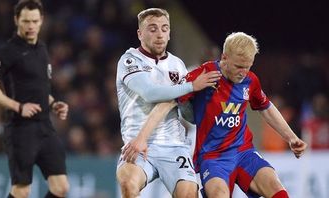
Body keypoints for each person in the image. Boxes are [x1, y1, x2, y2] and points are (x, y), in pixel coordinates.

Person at [136, 32, 308, 198]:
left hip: (243, 151)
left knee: (276, 188)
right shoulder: (204, 75)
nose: (243, 72)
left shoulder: (251, 80)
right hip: (213, 157)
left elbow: (265, 107)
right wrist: (142, 137)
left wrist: (291, 137)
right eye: (239, 66)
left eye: (248, 67)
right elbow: (167, 101)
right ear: (224, 57)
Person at [116, 8, 221, 198]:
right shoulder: (130, 60)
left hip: (174, 145)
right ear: (140, 34)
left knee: (188, 193)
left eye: (164, 29)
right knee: (128, 184)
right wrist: (192, 86)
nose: (160, 34)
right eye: (153, 29)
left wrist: (198, 103)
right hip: (138, 144)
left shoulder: (177, 65)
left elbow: (187, 115)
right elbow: (149, 93)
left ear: (169, 33)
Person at [0, 0, 69, 197]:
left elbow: (38, 89)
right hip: (21, 129)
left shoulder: (42, 49)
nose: (30, 26)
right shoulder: (8, 52)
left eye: (35, 21)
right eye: (26, 21)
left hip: (45, 127)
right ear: (16, 20)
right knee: (21, 191)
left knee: (61, 187)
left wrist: (54, 104)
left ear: (41, 21)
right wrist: (18, 106)